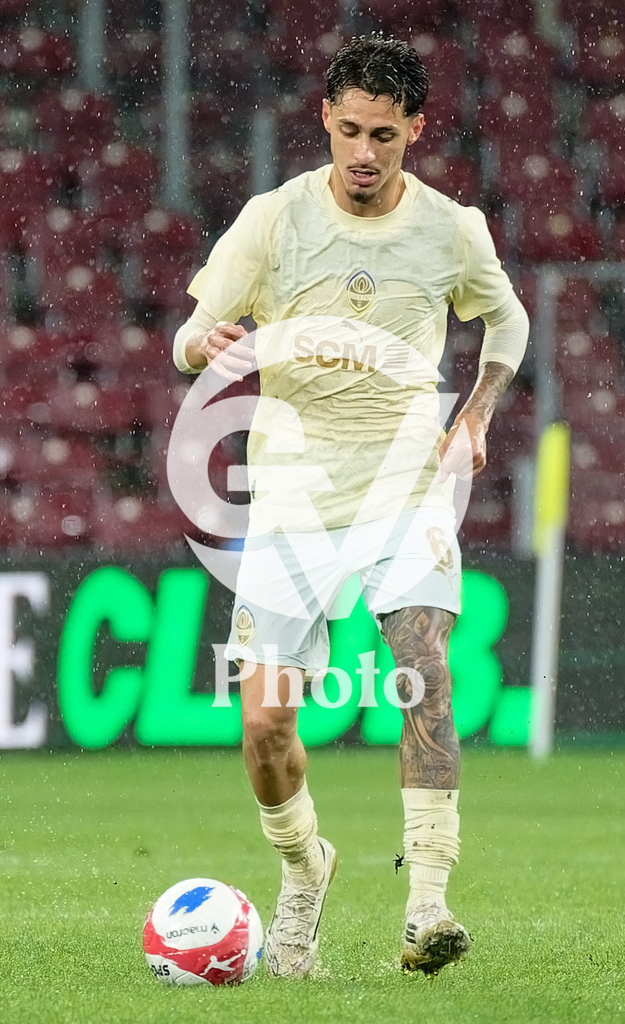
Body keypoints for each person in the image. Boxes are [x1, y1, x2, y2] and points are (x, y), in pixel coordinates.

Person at [172, 35, 529, 979]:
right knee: (264, 728)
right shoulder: (273, 220)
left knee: (423, 671)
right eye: (349, 131)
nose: (363, 153)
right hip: (291, 502)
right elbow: (187, 335)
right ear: (324, 119)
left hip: (405, 494)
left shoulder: (450, 229)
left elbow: (508, 318)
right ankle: (303, 870)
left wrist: (477, 411)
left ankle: (427, 905)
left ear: (416, 130)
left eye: (384, 135)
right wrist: (204, 345)